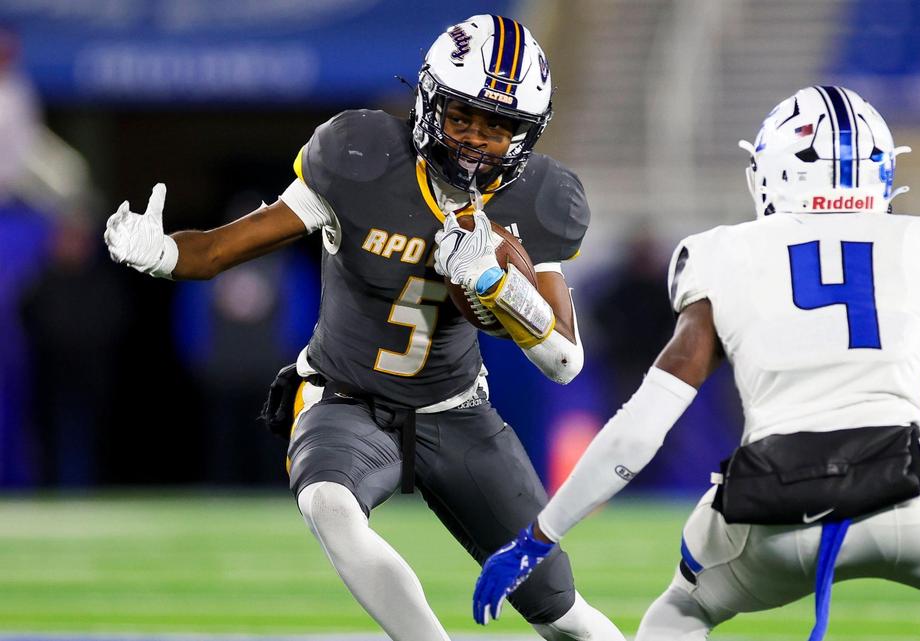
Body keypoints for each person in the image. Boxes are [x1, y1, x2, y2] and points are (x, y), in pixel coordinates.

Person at [474, 86, 920, 641]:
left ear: (770, 172)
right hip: (911, 487)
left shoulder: (723, 251)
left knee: (681, 606)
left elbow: (643, 423)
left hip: (772, 505)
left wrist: (541, 534)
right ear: (882, 170)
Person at [104, 14, 623, 641]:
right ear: (430, 102)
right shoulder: (359, 157)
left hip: (457, 411)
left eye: (497, 127)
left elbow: (564, 360)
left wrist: (496, 285)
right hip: (349, 400)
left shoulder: (535, 198)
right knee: (328, 504)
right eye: (462, 118)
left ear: (526, 135)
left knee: (566, 619)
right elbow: (221, 250)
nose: (474, 141)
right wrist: (159, 253)